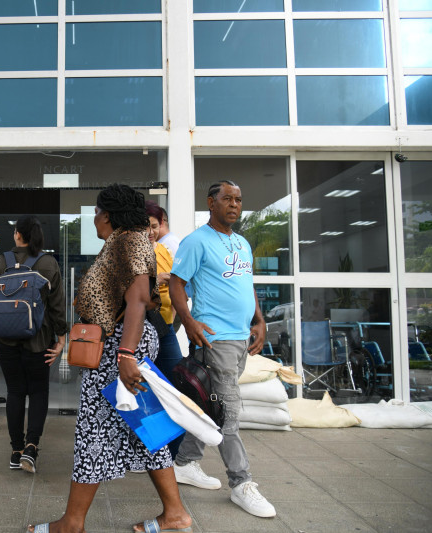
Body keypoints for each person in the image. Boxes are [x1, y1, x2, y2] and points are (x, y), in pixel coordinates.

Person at [29, 184, 191, 533]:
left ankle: (72, 523)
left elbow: (138, 299)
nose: (94, 220)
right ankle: (175, 513)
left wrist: (126, 354)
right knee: (144, 427)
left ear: (108, 214)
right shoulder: (128, 240)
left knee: (93, 428)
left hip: (118, 346)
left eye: (96, 212)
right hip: (122, 344)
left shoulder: (128, 241)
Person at [168, 180, 275, 518]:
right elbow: (176, 283)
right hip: (214, 339)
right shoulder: (196, 241)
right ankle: (241, 483)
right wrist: (188, 321)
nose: (234, 205)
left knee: (210, 405)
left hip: (240, 337)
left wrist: (259, 321)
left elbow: (247, 284)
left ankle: (185, 462)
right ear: (211, 203)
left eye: (238, 200)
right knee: (228, 411)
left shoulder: (242, 243)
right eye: (227, 198)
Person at [0, 215, 66, 473]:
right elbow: (57, 305)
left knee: (15, 391)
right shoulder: (48, 263)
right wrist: (61, 337)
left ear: (17, 234)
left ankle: (15, 450)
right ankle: (31, 447)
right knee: (39, 391)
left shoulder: (0, 262)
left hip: (5, 338)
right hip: (39, 339)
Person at [145, 200, 185, 458]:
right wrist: (156, 280)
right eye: (146, 226)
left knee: (176, 386)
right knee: (145, 392)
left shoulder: (163, 250)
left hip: (166, 326)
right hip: (143, 327)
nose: (151, 231)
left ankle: (170, 455)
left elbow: (177, 283)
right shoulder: (133, 252)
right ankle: (149, 451)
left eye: (155, 226)